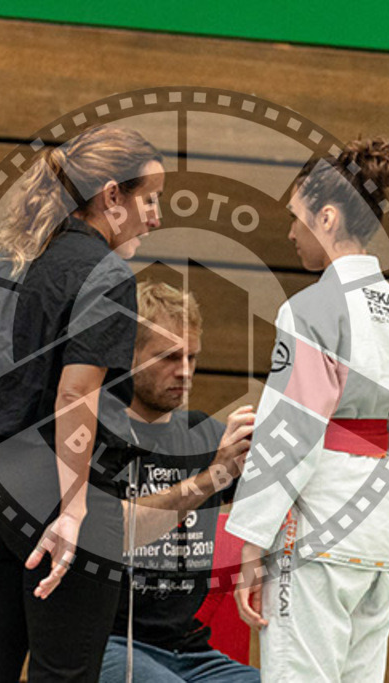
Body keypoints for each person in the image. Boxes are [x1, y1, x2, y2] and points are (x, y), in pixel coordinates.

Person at [0, 125, 165, 683]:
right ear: (111, 196)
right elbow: (75, 394)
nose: (155, 218)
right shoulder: (105, 274)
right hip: (60, 486)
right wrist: (75, 509)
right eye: (148, 200)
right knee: (65, 674)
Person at [226, 138, 389, 682]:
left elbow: (290, 433)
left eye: (297, 218)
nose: (292, 232)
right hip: (381, 529)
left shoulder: (312, 310)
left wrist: (249, 541)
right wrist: (383, 506)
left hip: (315, 530)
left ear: (327, 215)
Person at [97, 280, 260, 683]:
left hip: (189, 650)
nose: (184, 371)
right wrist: (214, 476)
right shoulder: (95, 436)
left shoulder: (206, 434)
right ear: (127, 357)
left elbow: (277, 497)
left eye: (192, 357)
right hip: (109, 644)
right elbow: (114, 529)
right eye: (169, 357)